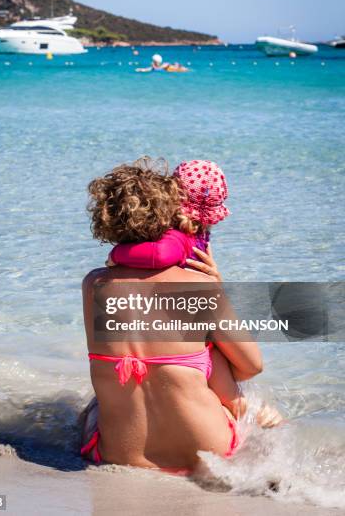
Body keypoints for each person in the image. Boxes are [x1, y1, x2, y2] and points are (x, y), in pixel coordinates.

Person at [80, 159, 268, 472]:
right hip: (208, 457)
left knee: (92, 406)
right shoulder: (201, 286)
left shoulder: (94, 285)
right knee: (209, 359)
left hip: (116, 455)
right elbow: (252, 366)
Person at [106, 159, 246, 420]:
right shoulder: (199, 232)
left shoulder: (176, 238)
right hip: (201, 327)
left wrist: (118, 253)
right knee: (233, 399)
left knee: (233, 401)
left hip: (187, 329)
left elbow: (159, 255)